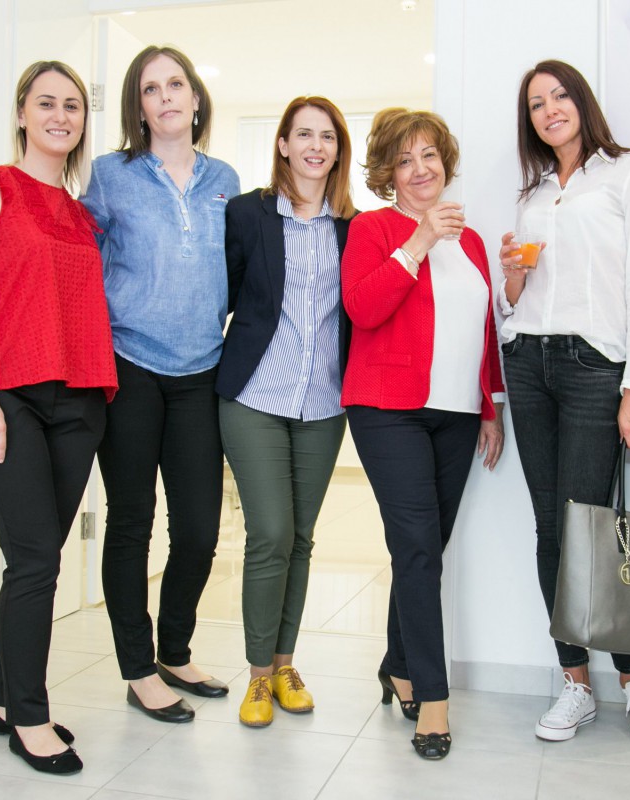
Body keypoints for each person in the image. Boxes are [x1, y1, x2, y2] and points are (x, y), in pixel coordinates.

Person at [0, 60, 117, 775]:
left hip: (78, 402)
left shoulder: (81, 214)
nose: (60, 116)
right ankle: (30, 718)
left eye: (72, 106)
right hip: (6, 397)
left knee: (32, 559)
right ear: (21, 113)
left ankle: (2, 701)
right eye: (46, 103)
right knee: (38, 558)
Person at [497, 60, 630, 748]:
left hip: (594, 368)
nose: (549, 110)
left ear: (581, 101)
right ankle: (575, 681)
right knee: (551, 529)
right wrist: (512, 278)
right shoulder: (535, 191)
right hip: (528, 362)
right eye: (536, 104)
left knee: (594, 529)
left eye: (559, 95)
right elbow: (516, 299)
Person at [80, 45, 240, 722]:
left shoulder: (225, 179)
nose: (166, 97)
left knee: (200, 529)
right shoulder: (109, 174)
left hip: (201, 369)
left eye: (176, 84)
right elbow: (80, 261)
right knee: (131, 523)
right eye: (151, 88)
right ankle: (138, 669)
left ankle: (175, 651)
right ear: (137, 106)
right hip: (129, 367)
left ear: (196, 98)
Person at [341, 107, 505, 761]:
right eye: (403, 159)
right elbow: (363, 308)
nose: (419, 169)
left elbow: (483, 328)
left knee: (424, 548)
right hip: (388, 409)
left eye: (428, 155)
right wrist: (417, 242)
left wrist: (490, 406)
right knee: (417, 553)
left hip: (456, 413)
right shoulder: (373, 229)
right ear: (388, 172)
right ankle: (432, 702)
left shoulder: (470, 240)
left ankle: (397, 663)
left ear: (444, 162)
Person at [217, 96, 355, 727]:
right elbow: (220, 293)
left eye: (327, 136)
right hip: (255, 395)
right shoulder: (248, 213)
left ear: (338, 149)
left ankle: (284, 664)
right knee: (270, 532)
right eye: (303, 134)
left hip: (324, 403)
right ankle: (256, 676)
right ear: (282, 145)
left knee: (300, 537)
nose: (315, 146)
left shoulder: (353, 228)